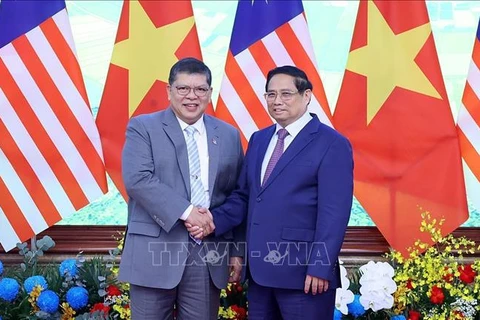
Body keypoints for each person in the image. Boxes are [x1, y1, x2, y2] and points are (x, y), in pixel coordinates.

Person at [188, 65, 354, 319]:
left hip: (304, 275)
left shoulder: (332, 143)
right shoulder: (259, 139)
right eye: (271, 94)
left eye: (286, 94)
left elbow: (335, 214)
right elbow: (245, 197)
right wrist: (213, 221)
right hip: (260, 274)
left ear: (306, 96)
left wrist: (320, 267)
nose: (277, 101)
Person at [119, 57, 244, 320]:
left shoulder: (229, 134)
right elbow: (138, 179)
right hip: (154, 250)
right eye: (183, 88)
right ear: (169, 91)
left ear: (210, 94)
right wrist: (189, 212)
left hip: (208, 253)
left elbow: (236, 195)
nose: (192, 96)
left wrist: (236, 251)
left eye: (200, 89)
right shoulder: (143, 127)